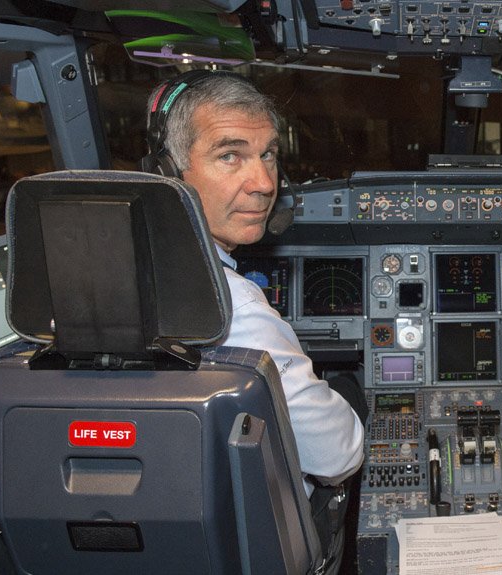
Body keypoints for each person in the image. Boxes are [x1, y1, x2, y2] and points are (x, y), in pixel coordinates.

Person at [143, 70, 366, 551]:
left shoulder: (82, 284)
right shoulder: (232, 303)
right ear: (167, 176)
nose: (264, 182)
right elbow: (339, 453)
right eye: (230, 156)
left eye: (267, 154)